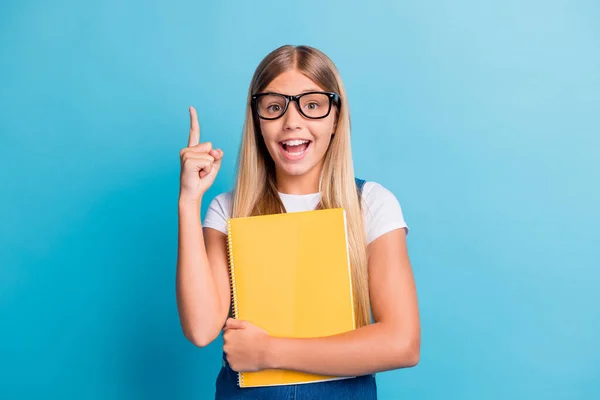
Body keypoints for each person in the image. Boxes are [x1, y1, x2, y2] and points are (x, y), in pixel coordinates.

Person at [176, 44, 420, 399]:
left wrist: (268, 351)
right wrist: (189, 200)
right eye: (275, 107)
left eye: (312, 105)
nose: (293, 122)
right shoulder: (227, 209)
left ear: (335, 118)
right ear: (257, 121)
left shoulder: (370, 204)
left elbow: (403, 343)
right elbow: (200, 329)